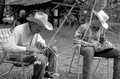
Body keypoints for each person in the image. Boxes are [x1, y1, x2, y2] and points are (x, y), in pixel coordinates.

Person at [2, 11, 57, 79]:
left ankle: (50, 74)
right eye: (39, 28)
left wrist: (42, 43)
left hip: (31, 55)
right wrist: (26, 49)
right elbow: (6, 46)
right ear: (33, 23)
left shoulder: (36, 30)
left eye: (42, 28)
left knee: (53, 49)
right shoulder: (19, 30)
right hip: (17, 56)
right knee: (41, 58)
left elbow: (40, 40)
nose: (40, 31)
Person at [73, 10, 120, 79]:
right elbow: (75, 40)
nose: (101, 25)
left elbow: (103, 41)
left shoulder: (100, 30)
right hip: (85, 49)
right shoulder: (83, 27)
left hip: (98, 50)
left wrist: (110, 45)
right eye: (100, 23)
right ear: (95, 19)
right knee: (89, 50)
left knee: (118, 51)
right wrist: (90, 44)